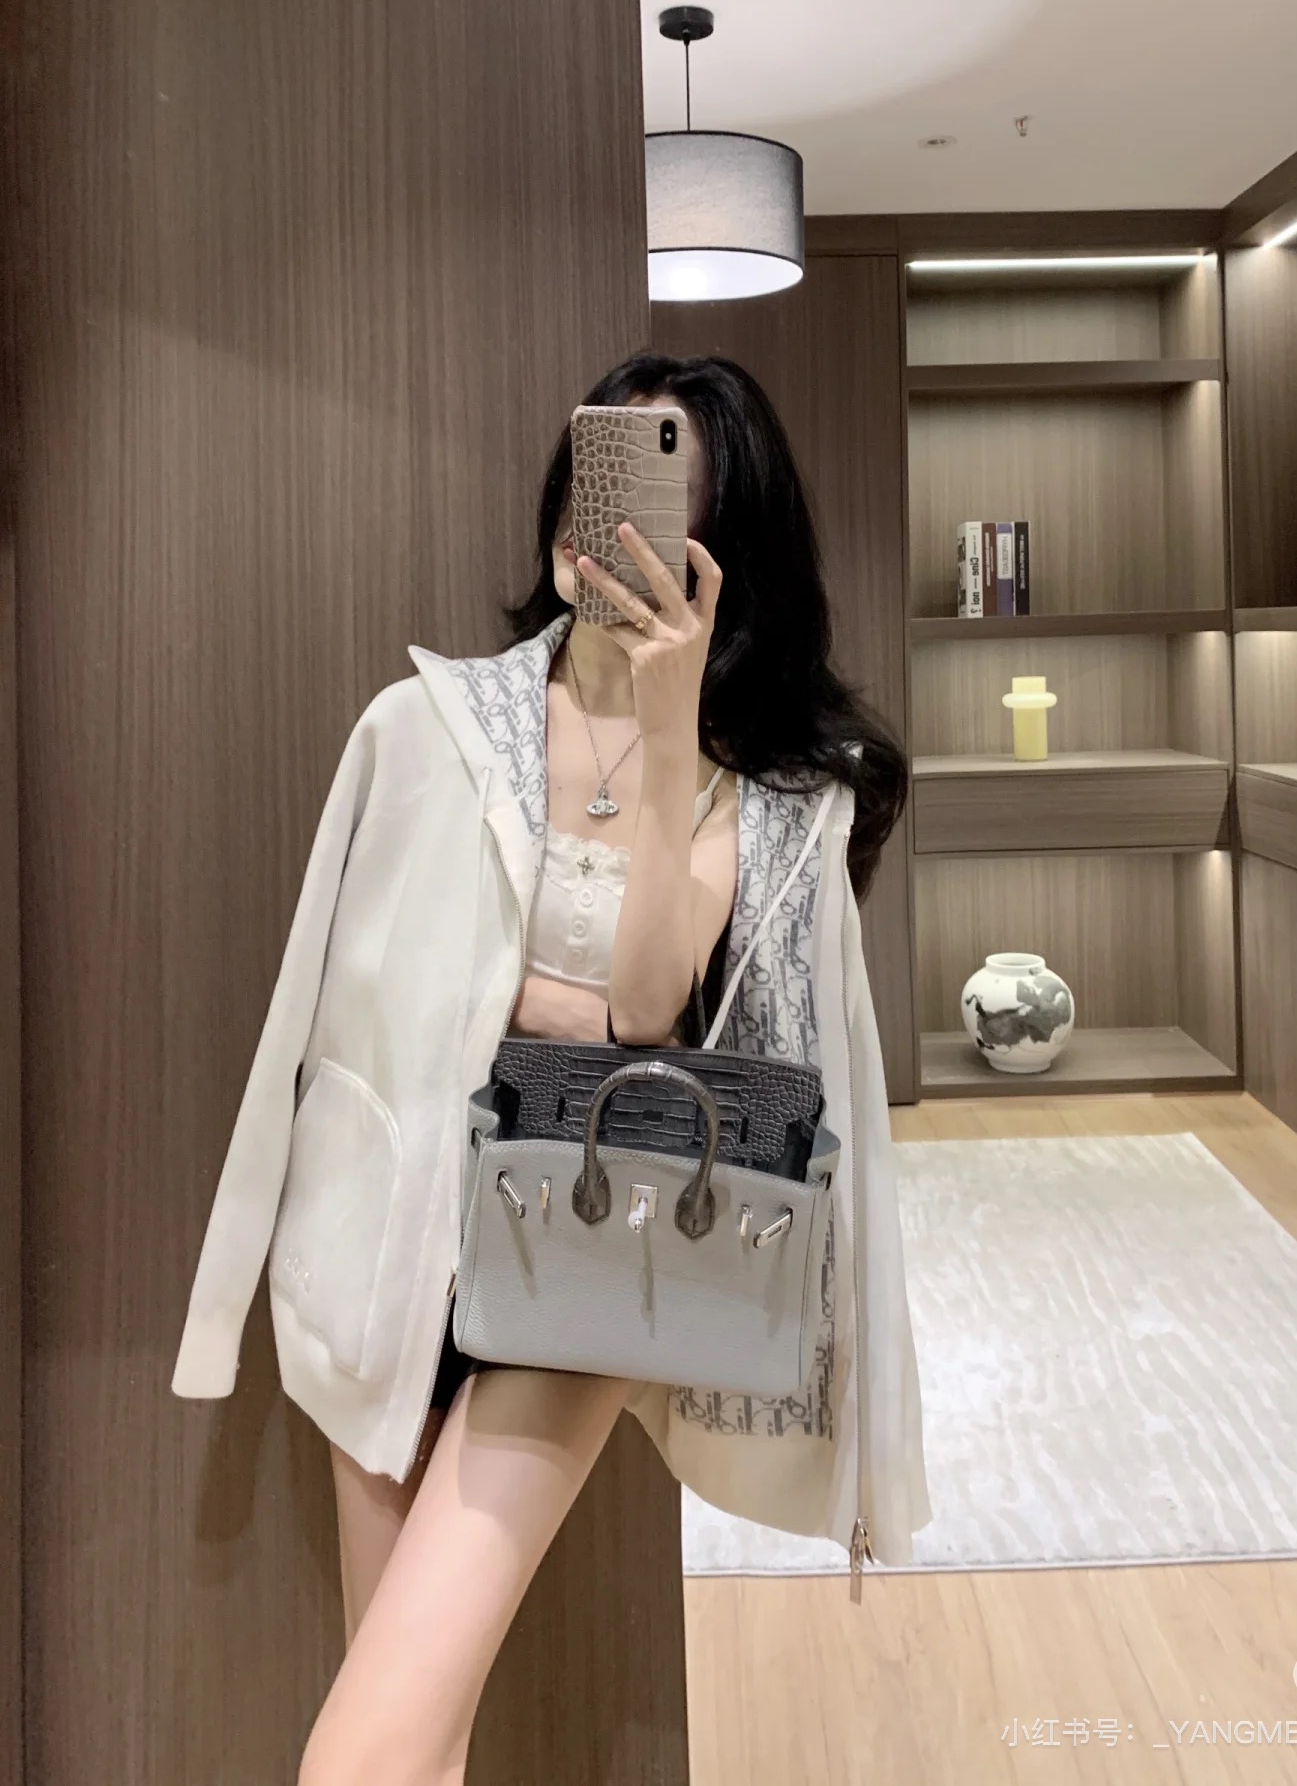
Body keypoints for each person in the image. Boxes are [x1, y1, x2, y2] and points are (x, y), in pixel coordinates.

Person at [171, 352, 932, 1785]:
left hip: (584, 1258)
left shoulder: (756, 790)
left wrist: (667, 717)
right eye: (606, 488)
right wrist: (516, 1004)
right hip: (391, 1248)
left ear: (725, 550)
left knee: (364, 1755)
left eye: (669, 509)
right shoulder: (429, 725)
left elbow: (644, 1009)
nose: (623, 537)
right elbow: (341, 1010)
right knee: (417, 1733)